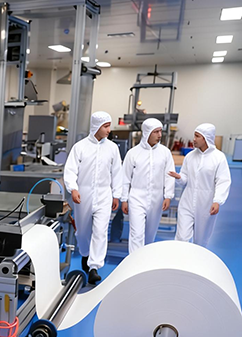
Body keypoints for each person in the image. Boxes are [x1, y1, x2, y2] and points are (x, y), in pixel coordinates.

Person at [63, 111, 123, 284]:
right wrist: (73, 189)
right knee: (82, 231)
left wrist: (116, 195)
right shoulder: (80, 147)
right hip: (83, 194)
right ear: (96, 126)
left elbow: (117, 173)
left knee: (101, 231)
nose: (109, 130)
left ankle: (94, 267)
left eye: (109, 126)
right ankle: (85, 254)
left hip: (104, 194)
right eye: (106, 126)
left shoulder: (112, 148)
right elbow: (71, 170)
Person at [168, 123, 231, 247]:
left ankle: (196, 264)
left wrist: (217, 201)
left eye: (197, 136)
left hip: (206, 205)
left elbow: (223, 181)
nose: (194, 139)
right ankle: (179, 263)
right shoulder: (190, 156)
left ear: (206, 138)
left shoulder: (218, 158)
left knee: (201, 241)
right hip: (187, 201)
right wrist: (179, 177)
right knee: (181, 238)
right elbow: (185, 179)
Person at [120, 118, 175, 253]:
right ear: (147, 133)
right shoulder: (133, 153)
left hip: (157, 198)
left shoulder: (165, 153)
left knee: (150, 235)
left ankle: (145, 261)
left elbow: (169, 175)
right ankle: (134, 264)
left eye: (160, 131)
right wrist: (124, 199)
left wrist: (168, 196)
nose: (159, 135)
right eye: (156, 132)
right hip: (136, 197)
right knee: (136, 234)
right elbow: (125, 177)